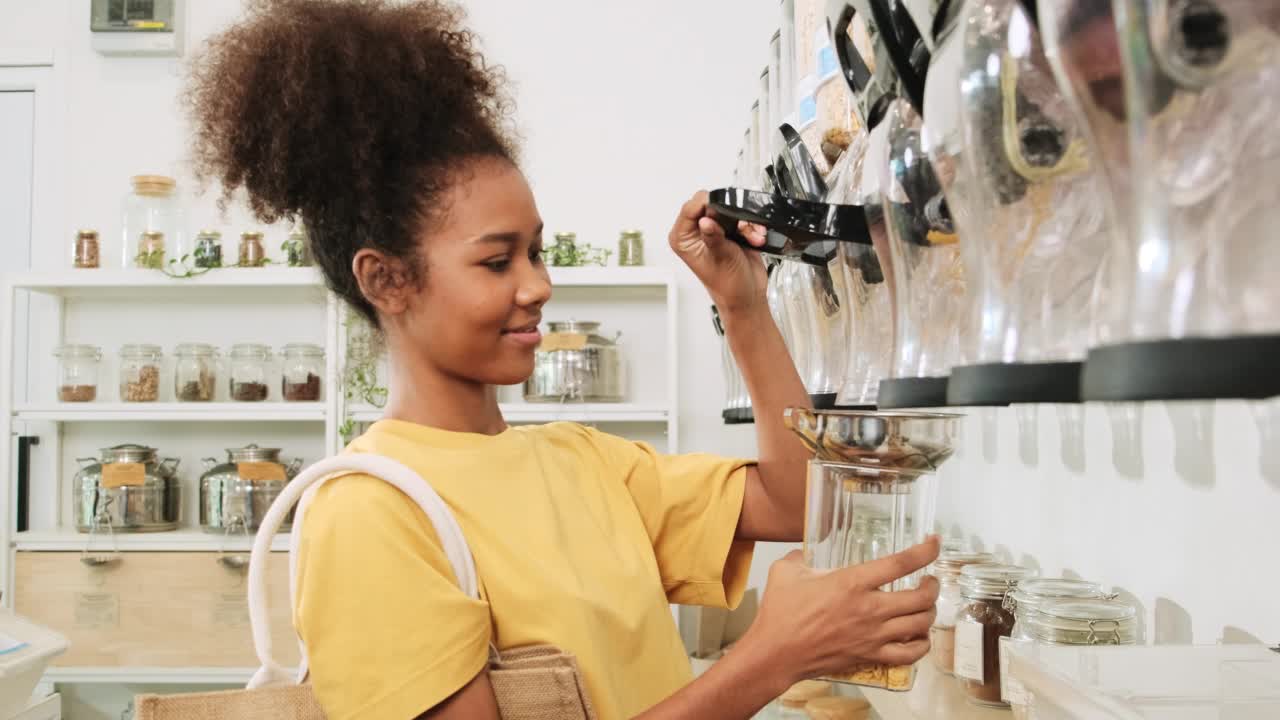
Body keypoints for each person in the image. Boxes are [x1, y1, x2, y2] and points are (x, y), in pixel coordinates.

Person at [186, 1, 939, 718]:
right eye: (496, 262)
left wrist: (744, 306)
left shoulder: (581, 461)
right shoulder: (369, 516)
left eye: (537, 251)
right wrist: (772, 658)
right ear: (387, 279)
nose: (538, 285)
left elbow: (798, 500)